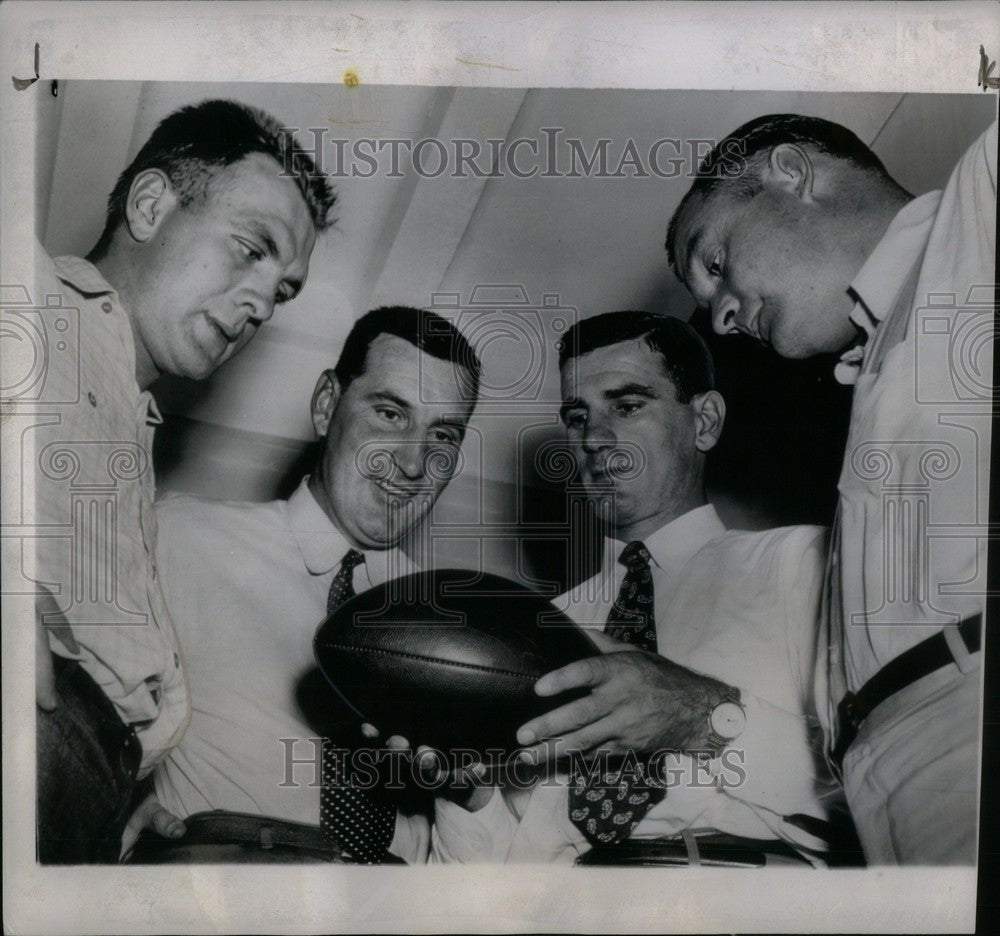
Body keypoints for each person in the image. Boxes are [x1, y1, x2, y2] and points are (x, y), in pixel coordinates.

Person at [665, 114, 995, 864]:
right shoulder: (871, 369)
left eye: (714, 259)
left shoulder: (983, 201)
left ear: (791, 171)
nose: (720, 313)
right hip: (882, 780)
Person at [30, 98, 336, 862]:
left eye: (284, 289)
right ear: (149, 205)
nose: (263, 302)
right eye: (249, 248)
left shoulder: (131, 429)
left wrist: (115, 793)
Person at [426, 311, 841, 864]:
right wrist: (467, 794)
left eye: (627, 406)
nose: (594, 438)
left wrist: (703, 720)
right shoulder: (539, 624)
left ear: (705, 422)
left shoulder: (804, 567)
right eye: (577, 417)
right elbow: (498, 868)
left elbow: (881, 782)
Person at [141, 306, 482, 863]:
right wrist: (119, 802)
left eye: (442, 433)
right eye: (391, 413)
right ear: (327, 405)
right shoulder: (180, 535)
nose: (414, 463)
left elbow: (470, 839)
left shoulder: (457, 625)